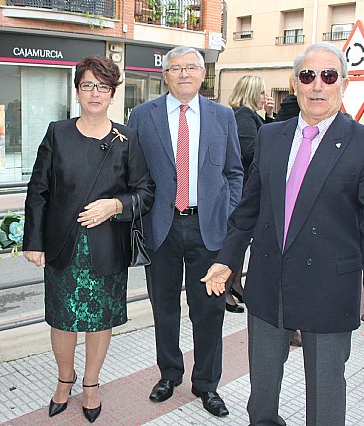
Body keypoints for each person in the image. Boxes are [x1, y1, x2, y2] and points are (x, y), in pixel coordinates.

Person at [201, 42, 364, 426]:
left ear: (343, 85)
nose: (318, 85)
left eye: (328, 76)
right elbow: (248, 209)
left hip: (329, 288)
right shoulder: (270, 136)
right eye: (308, 76)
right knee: (261, 400)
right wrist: (226, 259)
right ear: (294, 84)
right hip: (268, 285)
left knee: (325, 401)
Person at [23, 55, 154, 423]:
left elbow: (145, 192)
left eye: (103, 86)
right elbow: (39, 190)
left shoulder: (128, 137)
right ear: (77, 90)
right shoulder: (57, 133)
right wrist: (33, 240)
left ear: (113, 93)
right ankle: (65, 380)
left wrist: (115, 205)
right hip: (63, 245)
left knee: (100, 320)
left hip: (106, 247)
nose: (95, 93)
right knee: (62, 320)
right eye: (87, 85)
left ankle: (92, 383)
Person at [128, 46, 243, 418]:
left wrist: (228, 218)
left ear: (202, 73)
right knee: (163, 307)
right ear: (165, 74)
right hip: (160, 226)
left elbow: (235, 172)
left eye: (191, 67)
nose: (183, 74)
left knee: (208, 309)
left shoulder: (223, 116)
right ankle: (169, 374)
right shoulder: (142, 116)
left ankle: (207, 384)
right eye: (175, 68)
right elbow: (134, 171)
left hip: (208, 229)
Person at [224, 75, 274, 314]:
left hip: (245, 188)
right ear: (253, 93)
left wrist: (269, 118)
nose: (266, 97)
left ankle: (234, 284)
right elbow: (251, 150)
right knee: (238, 239)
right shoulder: (243, 115)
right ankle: (226, 289)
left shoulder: (248, 115)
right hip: (243, 190)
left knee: (242, 240)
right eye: (263, 92)